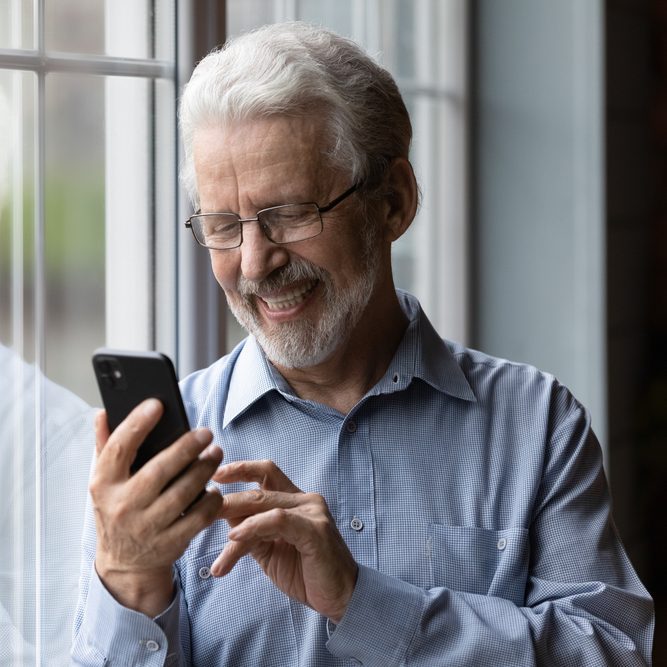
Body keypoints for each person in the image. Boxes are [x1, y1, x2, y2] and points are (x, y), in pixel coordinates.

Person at [71, 21, 654, 666]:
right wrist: (128, 581)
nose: (256, 262)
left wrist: (364, 603)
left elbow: (615, 653)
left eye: (288, 213)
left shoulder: (538, 424)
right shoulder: (172, 456)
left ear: (394, 203)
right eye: (224, 225)